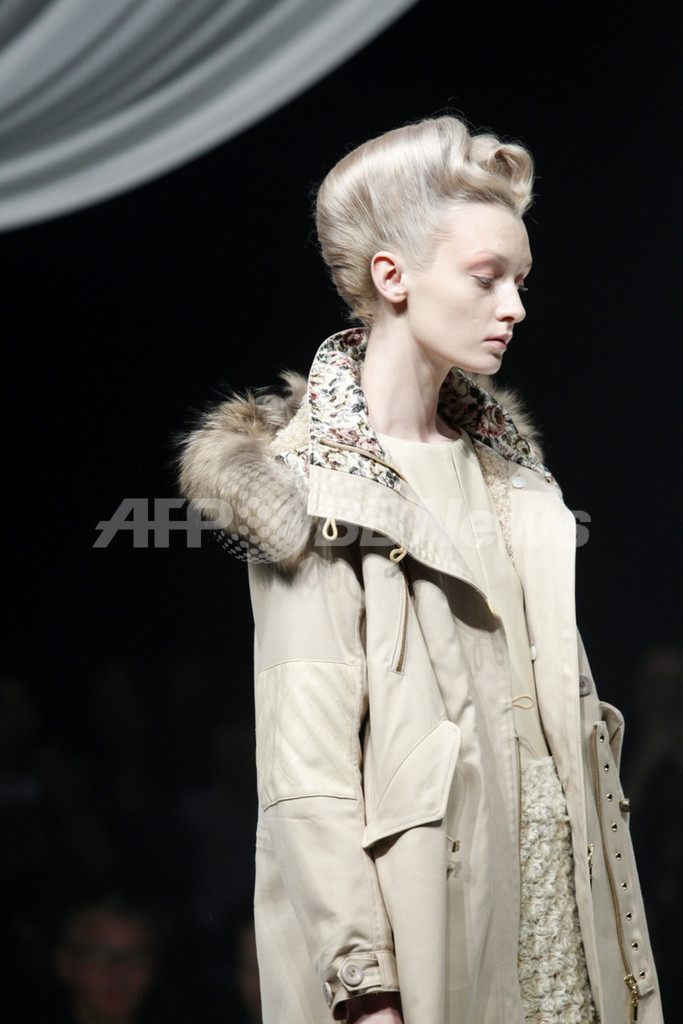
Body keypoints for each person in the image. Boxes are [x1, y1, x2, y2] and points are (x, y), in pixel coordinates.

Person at [179, 117, 663, 1024]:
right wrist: (366, 993)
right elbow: (308, 780)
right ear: (391, 276)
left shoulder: (511, 474)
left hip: (566, 913)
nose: (514, 306)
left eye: (520, 281)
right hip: (434, 932)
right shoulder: (306, 487)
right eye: (486, 277)